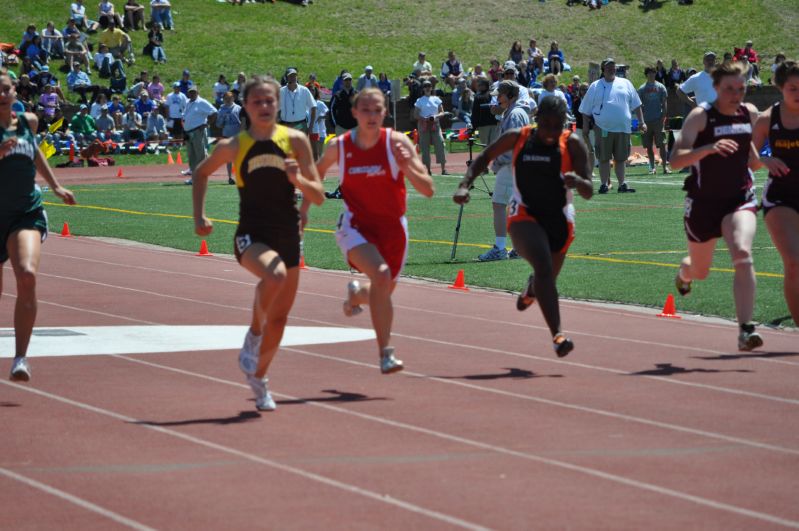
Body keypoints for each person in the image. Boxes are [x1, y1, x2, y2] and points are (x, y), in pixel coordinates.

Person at [193, 76, 324, 411]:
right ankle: (253, 334)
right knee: (274, 276)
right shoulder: (233, 146)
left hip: (288, 233)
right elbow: (202, 172)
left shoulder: (295, 141)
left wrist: (297, 179)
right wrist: (200, 216)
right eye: (257, 102)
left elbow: (318, 196)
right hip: (251, 233)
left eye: (270, 101)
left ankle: (260, 379)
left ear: (278, 104)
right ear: (246, 106)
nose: (264, 107)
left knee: (279, 320)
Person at [454, 96, 592, 356]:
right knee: (543, 266)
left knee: (546, 276)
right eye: (546, 124)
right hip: (524, 214)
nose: (551, 132)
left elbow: (589, 190)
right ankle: (558, 336)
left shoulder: (572, 144)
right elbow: (485, 156)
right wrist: (464, 184)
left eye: (557, 125)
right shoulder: (518, 137)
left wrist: (579, 182)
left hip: (560, 217)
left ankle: (532, 287)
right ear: (536, 118)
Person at [312, 87, 434, 374]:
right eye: (364, 109)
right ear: (354, 113)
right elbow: (313, 179)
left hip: (393, 229)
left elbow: (427, 189)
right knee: (380, 276)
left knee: (383, 290)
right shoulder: (339, 146)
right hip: (356, 226)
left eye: (376, 110)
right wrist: (302, 209)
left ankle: (356, 293)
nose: (371, 115)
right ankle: (386, 353)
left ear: (385, 113)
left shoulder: (397, 143)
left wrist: (407, 166)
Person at [670, 61, 764, 351]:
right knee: (700, 271)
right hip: (703, 204)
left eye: (741, 88)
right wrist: (707, 149)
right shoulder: (701, 117)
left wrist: (764, 161)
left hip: (739, 199)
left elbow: (754, 159)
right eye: (729, 89)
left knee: (743, 253)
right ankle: (684, 274)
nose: (736, 94)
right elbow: (674, 161)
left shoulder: (749, 113)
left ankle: (745, 330)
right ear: (715, 88)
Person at [0, 72, 77, 381]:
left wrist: (56, 186)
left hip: (25, 212)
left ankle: (20, 357)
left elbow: (35, 155)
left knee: (28, 276)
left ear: (14, 90)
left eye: (6, 89)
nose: (2, 95)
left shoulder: (27, 122)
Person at [752, 60, 799, 326]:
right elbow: (749, 155)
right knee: (794, 262)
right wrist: (764, 159)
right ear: (781, 88)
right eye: (792, 88)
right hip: (780, 197)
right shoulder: (769, 119)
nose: (798, 93)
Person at [477, 80, 530, 261]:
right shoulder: (517, 112)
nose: (497, 99)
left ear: (511, 96)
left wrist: (498, 162)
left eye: (500, 95)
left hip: (511, 166)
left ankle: (500, 248)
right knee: (516, 207)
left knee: (499, 203)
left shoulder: (514, 114)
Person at [578, 57, 645, 194]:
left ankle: (622, 185)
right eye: (608, 67)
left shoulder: (626, 83)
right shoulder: (595, 86)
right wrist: (585, 127)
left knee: (621, 158)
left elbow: (637, 104)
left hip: (623, 128)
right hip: (603, 128)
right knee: (604, 158)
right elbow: (585, 110)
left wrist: (642, 122)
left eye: (613, 67)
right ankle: (603, 184)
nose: (612, 69)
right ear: (603, 70)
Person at [638, 65, 671, 175]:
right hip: (646, 121)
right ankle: (652, 167)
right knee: (648, 146)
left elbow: (665, 103)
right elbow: (639, 106)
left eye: (653, 72)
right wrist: (641, 120)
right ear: (646, 74)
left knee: (662, 144)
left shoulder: (661, 87)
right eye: (649, 72)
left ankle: (665, 167)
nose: (652, 74)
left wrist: (663, 117)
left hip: (658, 120)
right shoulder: (642, 89)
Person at [182, 86, 216, 184]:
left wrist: (207, 124)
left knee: (200, 156)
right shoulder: (188, 102)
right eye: (190, 92)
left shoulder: (202, 102)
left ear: (197, 92)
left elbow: (214, 112)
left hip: (197, 132)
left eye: (193, 92)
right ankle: (194, 178)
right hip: (188, 132)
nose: (192, 94)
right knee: (192, 156)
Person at [413, 79, 448, 175]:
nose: (427, 88)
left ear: (431, 88)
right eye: (425, 86)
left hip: (435, 125)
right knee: (425, 147)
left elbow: (442, 112)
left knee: (440, 144)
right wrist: (424, 119)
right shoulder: (419, 101)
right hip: (423, 126)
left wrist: (435, 117)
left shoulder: (436, 99)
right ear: (423, 89)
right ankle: (428, 170)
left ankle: (443, 169)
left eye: (429, 86)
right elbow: (415, 115)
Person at [278, 68, 315, 135]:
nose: (293, 78)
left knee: (300, 145)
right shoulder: (281, 91)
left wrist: (311, 126)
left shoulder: (304, 90)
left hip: (300, 126)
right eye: (291, 76)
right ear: (286, 78)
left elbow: (313, 107)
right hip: (285, 126)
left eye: (295, 76)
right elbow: (276, 109)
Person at [215, 91, 242, 183]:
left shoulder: (238, 108)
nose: (228, 100)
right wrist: (222, 118)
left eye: (230, 98)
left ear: (233, 98)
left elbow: (243, 122)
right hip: (226, 135)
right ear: (223, 99)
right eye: (226, 98)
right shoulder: (221, 110)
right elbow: (218, 125)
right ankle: (230, 177)